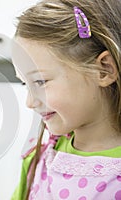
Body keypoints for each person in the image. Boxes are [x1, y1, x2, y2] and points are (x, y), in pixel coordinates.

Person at [11, 0, 121, 199]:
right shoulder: (37, 161)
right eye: (25, 84)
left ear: (103, 69)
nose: (30, 102)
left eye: (40, 82)